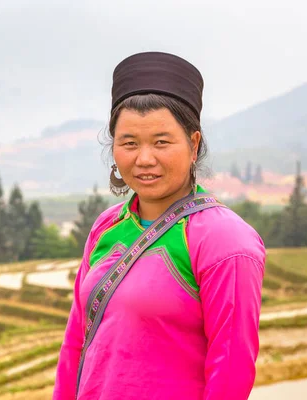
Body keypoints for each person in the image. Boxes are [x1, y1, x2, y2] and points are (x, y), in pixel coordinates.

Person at [53, 52, 266, 400]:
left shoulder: (224, 240)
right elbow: (76, 341)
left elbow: (231, 371)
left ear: (193, 144)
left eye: (161, 142)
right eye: (129, 143)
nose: (144, 158)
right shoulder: (108, 225)